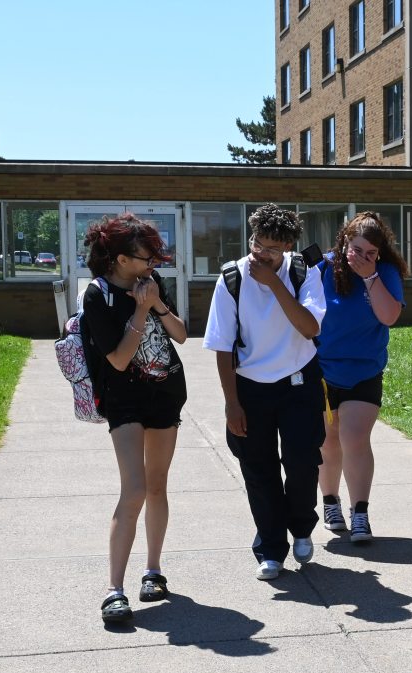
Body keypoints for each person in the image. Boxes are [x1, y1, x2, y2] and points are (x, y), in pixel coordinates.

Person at [202, 204, 328, 581]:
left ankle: (302, 526)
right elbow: (223, 346)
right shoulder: (231, 278)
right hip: (250, 386)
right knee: (258, 470)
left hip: (298, 382)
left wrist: (275, 284)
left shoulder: (304, 273)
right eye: (258, 243)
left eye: (273, 248)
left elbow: (309, 328)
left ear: (288, 246)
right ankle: (271, 548)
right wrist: (231, 403)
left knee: (303, 463)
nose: (262, 254)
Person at [81, 213, 190, 625]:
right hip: (124, 400)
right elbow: (120, 358)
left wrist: (156, 302)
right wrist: (141, 312)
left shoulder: (153, 285)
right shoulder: (98, 295)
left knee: (157, 486)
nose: (152, 264)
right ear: (121, 259)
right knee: (134, 489)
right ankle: (114, 589)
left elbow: (180, 335)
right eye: (146, 257)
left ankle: (154, 572)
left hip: (165, 395)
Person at [314, 212, 409, 543]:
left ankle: (360, 514)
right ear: (344, 243)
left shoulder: (385, 272)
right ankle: (330, 503)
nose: (362, 258)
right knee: (327, 440)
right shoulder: (321, 268)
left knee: (354, 438)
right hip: (323, 371)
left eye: (371, 253)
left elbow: (390, 316)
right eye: (356, 250)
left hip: (364, 369)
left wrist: (370, 278)